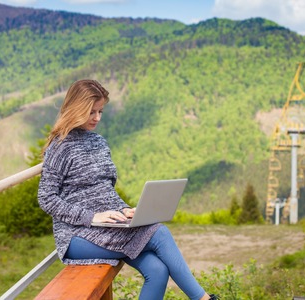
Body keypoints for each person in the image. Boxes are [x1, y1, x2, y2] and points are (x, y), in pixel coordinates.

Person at [37, 79, 219, 300]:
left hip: (107, 228)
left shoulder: (99, 142)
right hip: (77, 236)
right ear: (76, 108)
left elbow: (104, 191)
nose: (97, 118)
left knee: (157, 270)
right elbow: (46, 198)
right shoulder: (60, 147)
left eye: (101, 111)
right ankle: (204, 299)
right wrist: (92, 217)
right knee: (159, 232)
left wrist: (126, 211)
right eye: (91, 112)